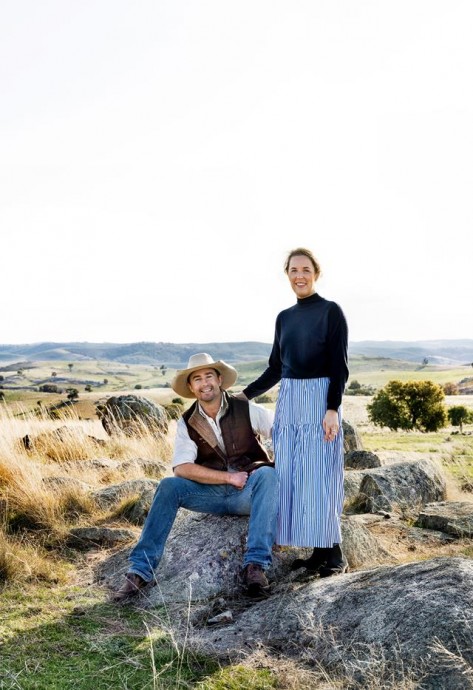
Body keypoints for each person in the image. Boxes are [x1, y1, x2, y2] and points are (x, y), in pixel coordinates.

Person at [112, 352, 278, 603]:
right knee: (169, 486)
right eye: (197, 379)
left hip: (249, 493)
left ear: (220, 379)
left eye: (209, 376)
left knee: (268, 473)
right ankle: (140, 572)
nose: (205, 383)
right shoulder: (187, 421)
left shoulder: (246, 409)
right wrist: (227, 478)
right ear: (191, 387)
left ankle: (254, 567)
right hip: (210, 494)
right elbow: (182, 468)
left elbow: (282, 434)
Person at [239, 247, 349, 577]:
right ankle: (317, 552)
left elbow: (339, 367)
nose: (299, 275)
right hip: (288, 401)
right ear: (287, 275)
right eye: (293, 270)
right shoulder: (284, 318)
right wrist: (243, 396)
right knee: (293, 476)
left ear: (316, 273)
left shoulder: (332, 312)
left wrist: (332, 409)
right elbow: (276, 368)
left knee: (321, 475)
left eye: (305, 269)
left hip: (319, 400)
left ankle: (334, 555)